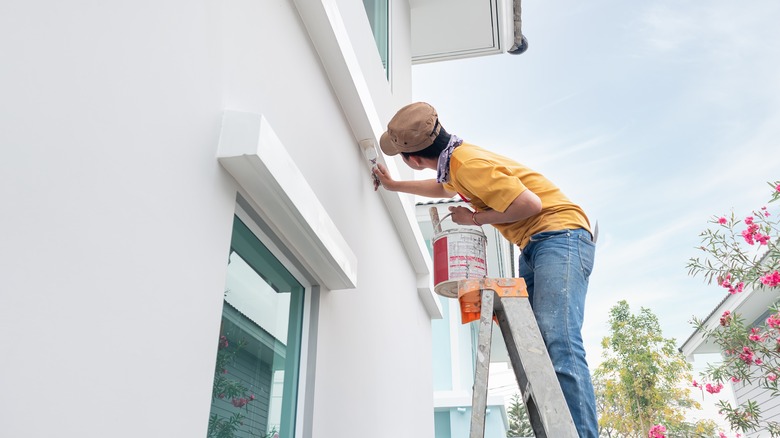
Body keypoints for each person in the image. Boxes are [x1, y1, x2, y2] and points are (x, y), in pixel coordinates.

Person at [372, 102, 598, 438]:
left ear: (414, 159)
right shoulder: (457, 163)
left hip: (560, 236)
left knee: (559, 340)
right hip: (539, 242)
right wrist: (395, 186)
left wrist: (474, 218)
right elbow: (443, 188)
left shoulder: (468, 164)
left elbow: (529, 204)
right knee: (541, 348)